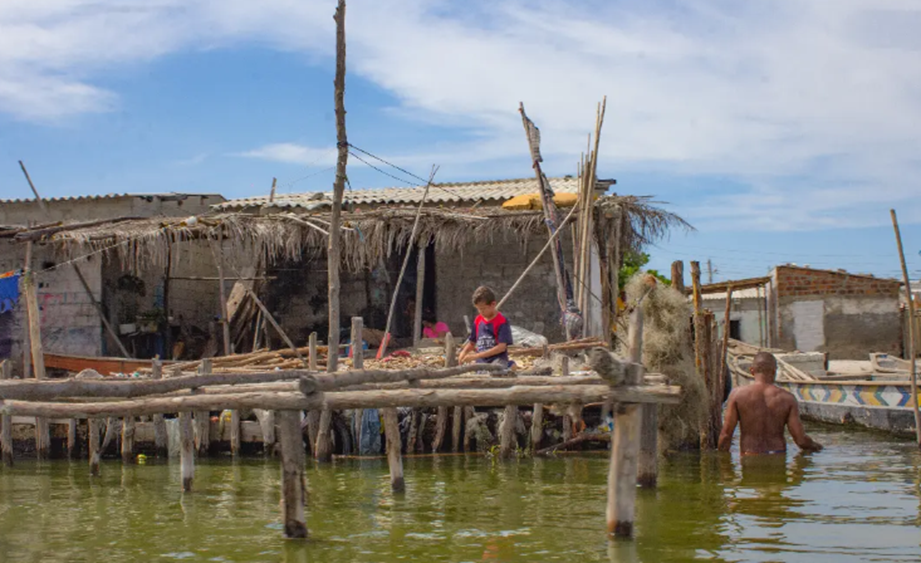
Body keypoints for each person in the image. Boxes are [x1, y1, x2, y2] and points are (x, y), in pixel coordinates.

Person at [718, 351, 822, 455]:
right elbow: (801, 440)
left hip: (750, 455)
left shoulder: (737, 395)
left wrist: (722, 463)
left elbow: (726, 435)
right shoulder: (787, 398)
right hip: (778, 454)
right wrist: (818, 447)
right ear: (774, 371)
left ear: (751, 370)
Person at [458, 286, 513, 368]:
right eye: (478, 309)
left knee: (497, 370)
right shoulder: (478, 320)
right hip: (481, 361)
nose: (481, 312)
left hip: (497, 360)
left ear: (493, 304)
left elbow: (501, 347)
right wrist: (463, 353)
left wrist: (476, 356)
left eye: (483, 309)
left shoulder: (501, 321)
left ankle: (510, 365)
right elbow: (472, 342)